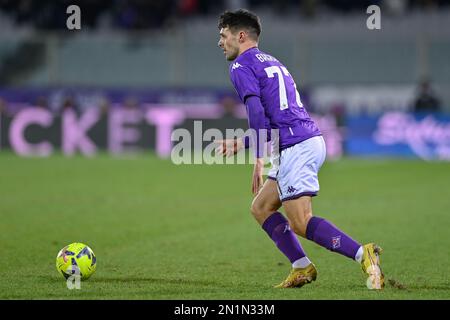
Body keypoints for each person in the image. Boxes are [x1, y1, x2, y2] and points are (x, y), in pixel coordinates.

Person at [216, 9, 384, 289]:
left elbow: (256, 112)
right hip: (300, 140)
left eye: (223, 36)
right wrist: (244, 142)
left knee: (301, 222)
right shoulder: (272, 61)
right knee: (261, 207)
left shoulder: (241, 66)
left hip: (296, 147)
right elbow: (275, 116)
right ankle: (302, 267)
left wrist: (257, 158)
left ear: (240, 35)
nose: (220, 42)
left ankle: (362, 253)